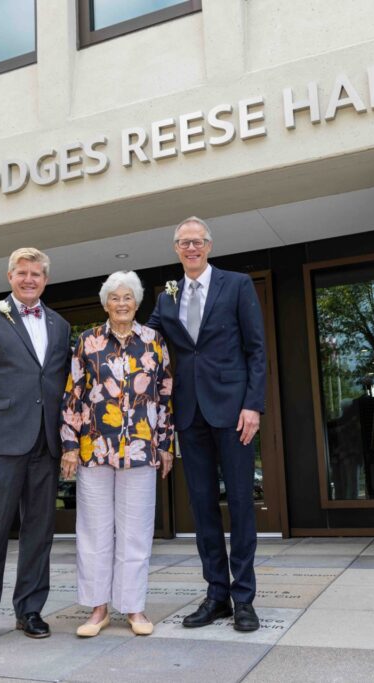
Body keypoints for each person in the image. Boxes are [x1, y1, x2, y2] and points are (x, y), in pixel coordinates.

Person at [148, 216, 266, 632]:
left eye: (197, 241)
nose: (191, 248)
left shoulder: (236, 285)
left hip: (234, 412)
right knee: (201, 507)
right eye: (184, 243)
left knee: (239, 504)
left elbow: (256, 349)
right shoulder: (167, 295)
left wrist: (253, 405)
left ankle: (244, 598)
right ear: (176, 249)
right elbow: (146, 340)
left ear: (209, 246)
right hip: (190, 414)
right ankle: (216, 594)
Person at [0, 248, 71, 648]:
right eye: (22, 273)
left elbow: (57, 384)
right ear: (9, 276)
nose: (29, 279)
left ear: (45, 279)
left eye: (36, 274)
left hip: (46, 441)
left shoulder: (60, 324)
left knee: (39, 532)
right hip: (1, 440)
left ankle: (30, 610)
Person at [60, 271, 175, 637]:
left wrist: (167, 444)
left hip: (141, 449)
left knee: (136, 532)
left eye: (127, 297)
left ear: (137, 303)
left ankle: (134, 608)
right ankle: (97, 609)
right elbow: (72, 396)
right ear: (105, 303)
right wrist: (69, 446)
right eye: (114, 297)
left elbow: (165, 396)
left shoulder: (154, 341)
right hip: (94, 448)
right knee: (94, 532)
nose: (121, 303)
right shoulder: (88, 342)